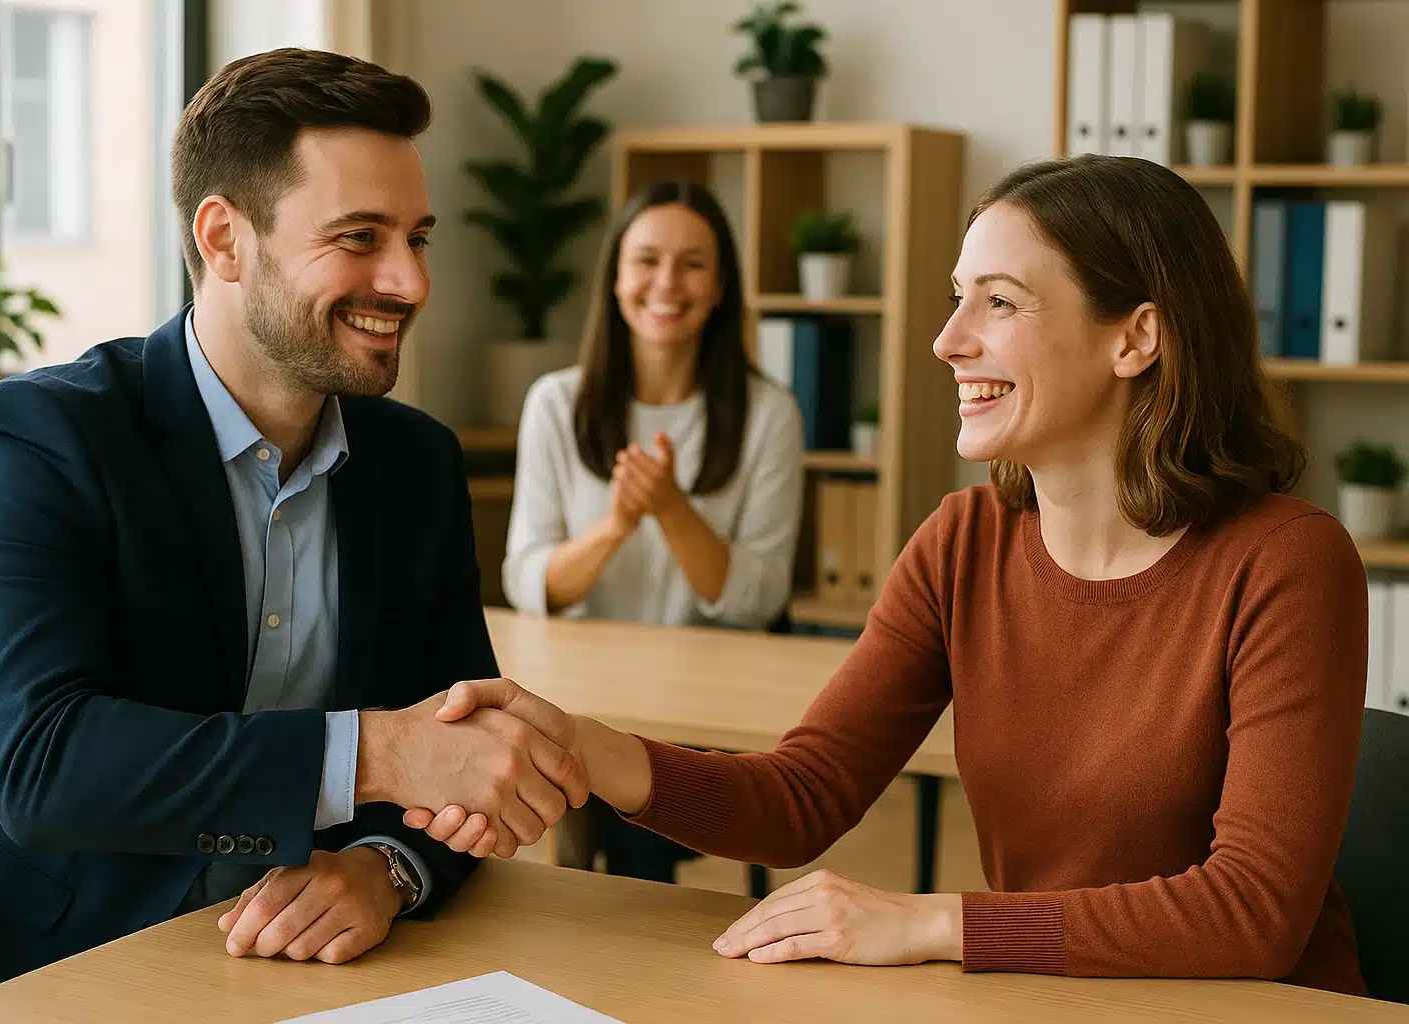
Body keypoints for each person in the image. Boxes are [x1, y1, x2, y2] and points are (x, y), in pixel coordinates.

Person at [408, 154, 1370, 995]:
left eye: (999, 301)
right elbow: (805, 795)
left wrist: (932, 923)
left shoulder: (1286, 562)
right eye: (958, 298)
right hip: (1059, 999)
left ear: (1136, 338)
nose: (950, 339)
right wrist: (582, 747)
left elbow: (1254, 911)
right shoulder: (965, 541)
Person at [0, 48, 584, 1021]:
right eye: (361, 236)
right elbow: (47, 765)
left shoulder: (415, 464)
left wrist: (386, 868)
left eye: (419, 237)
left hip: (283, 981)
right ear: (223, 237)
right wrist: (375, 754)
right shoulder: (40, 437)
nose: (411, 280)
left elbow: (454, 759)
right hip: (24, 974)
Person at [499, 181, 804, 880]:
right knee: (548, 797)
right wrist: (615, 527)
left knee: (632, 817)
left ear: (722, 285)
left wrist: (671, 510)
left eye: (693, 264)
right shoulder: (555, 402)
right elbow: (528, 580)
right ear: (615, 277)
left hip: (702, 720)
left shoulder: (768, 414)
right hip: (577, 695)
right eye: (647, 260)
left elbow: (757, 597)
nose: (668, 283)